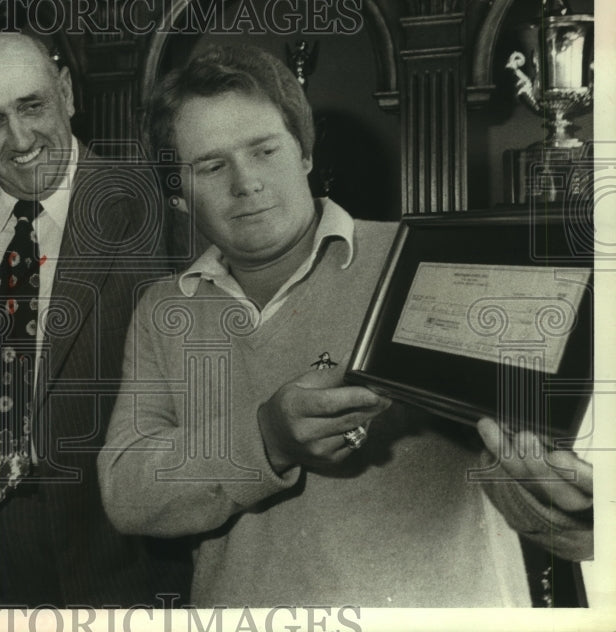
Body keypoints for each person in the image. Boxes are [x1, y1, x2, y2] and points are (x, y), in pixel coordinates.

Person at [98, 44, 593, 607]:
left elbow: (510, 471)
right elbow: (126, 490)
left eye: (264, 150)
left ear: (305, 154)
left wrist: (569, 506)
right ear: (178, 195)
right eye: (211, 166)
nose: (247, 183)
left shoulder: (422, 265)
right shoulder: (165, 309)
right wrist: (267, 439)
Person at [0, 32, 187, 606]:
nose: (20, 139)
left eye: (32, 105)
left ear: (66, 92)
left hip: (119, 570)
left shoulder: (158, 206)